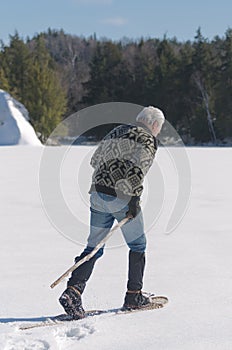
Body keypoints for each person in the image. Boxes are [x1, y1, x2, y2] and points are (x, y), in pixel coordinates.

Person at [59, 106, 165, 319]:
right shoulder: (147, 139)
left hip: (97, 194)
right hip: (122, 198)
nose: (158, 132)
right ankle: (133, 295)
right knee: (138, 245)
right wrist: (133, 200)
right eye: (159, 128)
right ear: (154, 125)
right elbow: (139, 168)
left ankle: (73, 292)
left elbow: (94, 160)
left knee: (94, 247)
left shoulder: (116, 131)